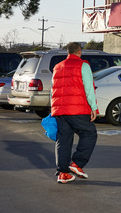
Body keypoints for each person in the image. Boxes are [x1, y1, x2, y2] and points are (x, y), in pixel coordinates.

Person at [50, 42, 98, 184]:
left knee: (63, 140)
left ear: (68, 52)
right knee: (89, 134)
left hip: (60, 110)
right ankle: (76, 164)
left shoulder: (57, 67)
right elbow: (89, 88)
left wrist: (53, 109)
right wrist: (93, 108)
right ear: (79, 51)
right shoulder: (83, 65)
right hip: (77, 109)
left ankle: (63, 173)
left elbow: (53, 90)